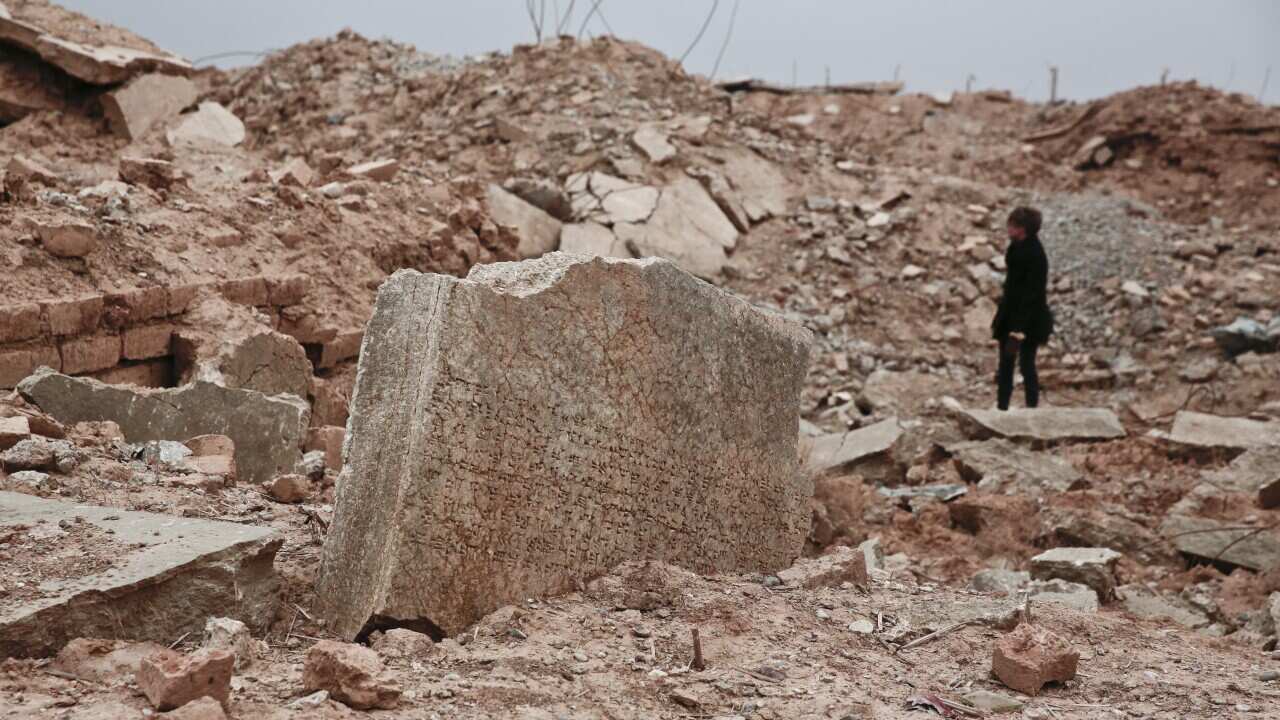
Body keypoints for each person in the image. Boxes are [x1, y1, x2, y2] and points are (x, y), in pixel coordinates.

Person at [991, 206, 1053, 411]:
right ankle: (1002, 407)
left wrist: (1019, 328)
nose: (1008, 229)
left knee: (1027, 364)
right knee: (1006, 364)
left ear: (1022, 229)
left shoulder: (1035, 254)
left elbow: (1032, 294)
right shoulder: (1016, 248)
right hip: (1011, 314)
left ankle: (1032, 408)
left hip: (1029, 318)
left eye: (1012, 225)